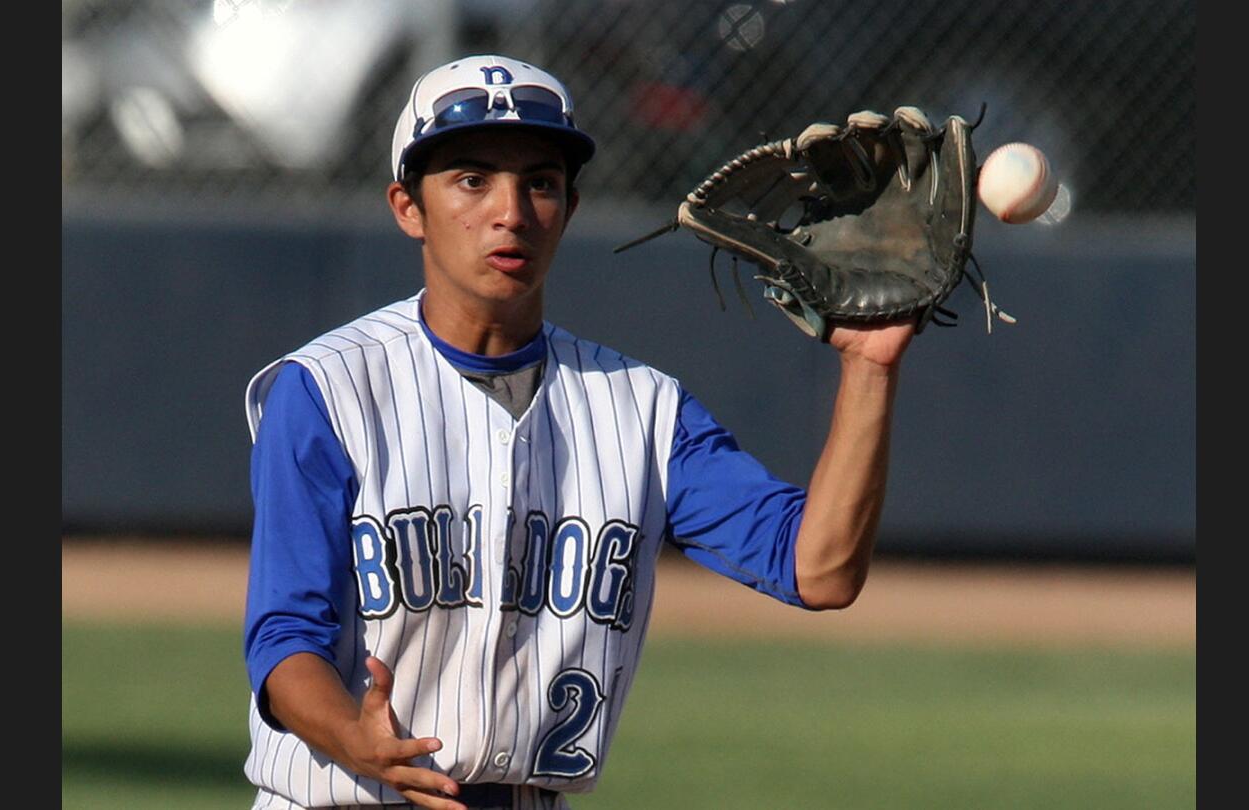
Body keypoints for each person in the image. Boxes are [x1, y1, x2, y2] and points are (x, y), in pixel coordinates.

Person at [241, 54, 915, 810]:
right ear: (408, 207)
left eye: (541, 182)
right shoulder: (328, 391)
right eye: (472, 179)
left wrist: (869, 367)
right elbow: (284, 637)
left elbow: (818, 570)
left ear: (570, 205)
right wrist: (351, 735)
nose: (512, 212)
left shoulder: (644, 411)